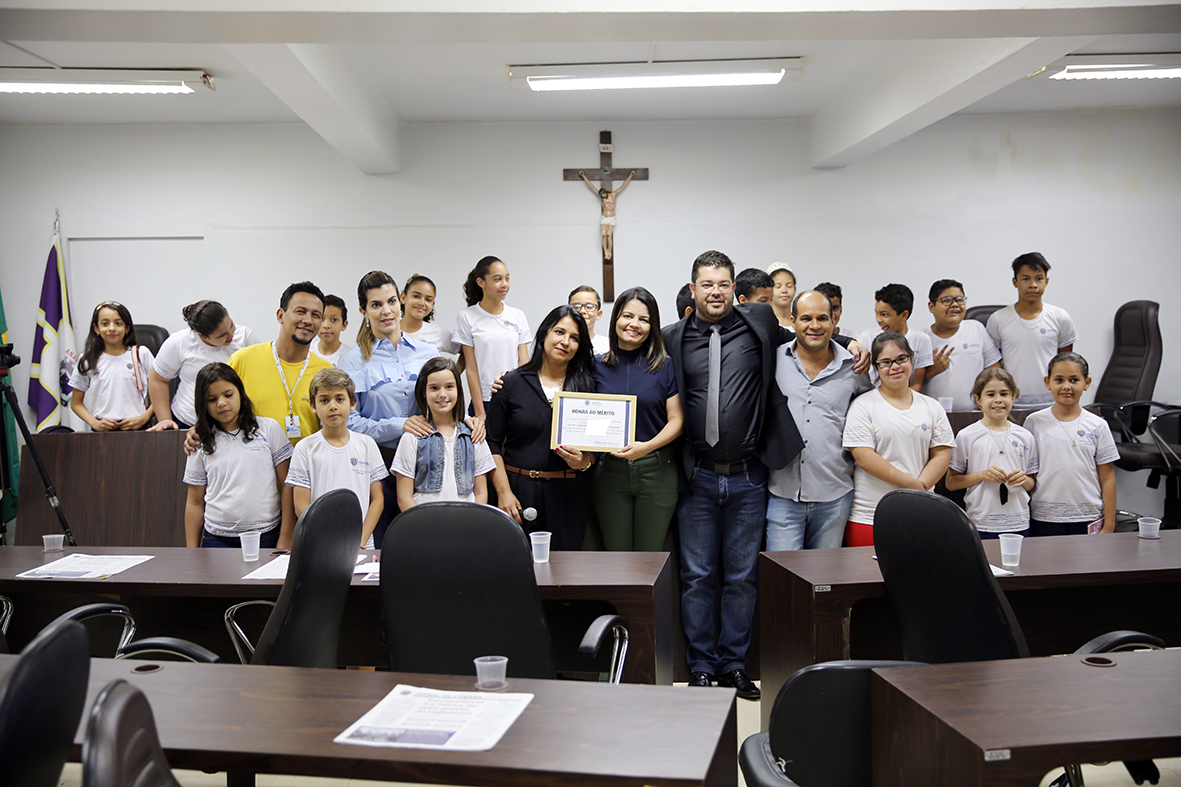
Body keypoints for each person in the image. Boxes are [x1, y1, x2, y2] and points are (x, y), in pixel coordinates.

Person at [661, 250, 800, 700]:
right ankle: (700, 665)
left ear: (734, 288)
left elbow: (808, 336)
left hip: (748, 476)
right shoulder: (672, 337)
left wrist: (851, 344)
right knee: (697, 576)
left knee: (742, 577)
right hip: (697, 476)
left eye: (723, 284)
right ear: (693, 288)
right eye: (707, 284)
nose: (716, 292)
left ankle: (733, 664)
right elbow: (627, 365)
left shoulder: (758, 321)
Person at [338, 270, 441, 549]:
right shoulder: (351, 361)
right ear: (363, 310)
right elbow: (346, 423)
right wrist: (398, 425)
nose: (387, 311)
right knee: (384, 553)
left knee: (430, 548)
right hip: (378, 470)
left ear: (401, 302)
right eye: (376, 304)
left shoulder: (428, 353)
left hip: (428, 464)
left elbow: (446, 403)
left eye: (392, 301)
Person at [766, 291, 870, 551]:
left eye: (822, 318)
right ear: (793, 321)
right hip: (783, 493)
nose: (814, 325)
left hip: (834, 495)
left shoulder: (854, 368)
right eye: (806, 318)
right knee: (783, 580)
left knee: (824, 584)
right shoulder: (773, 360)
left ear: (834, 321)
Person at [487, 305, 597, 550]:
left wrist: (585, 461)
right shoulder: (511, 383)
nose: (565, 342)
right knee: (516, 571)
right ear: (545, 332)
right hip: (518, 493)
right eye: (559, 332)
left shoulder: (588, 388)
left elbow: (596, 449)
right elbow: (491, 442)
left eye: (575, 338)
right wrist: (503, 492)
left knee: (564, 575)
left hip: (569, 495)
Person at [591, 286, 683, 551]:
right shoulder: (594, 365)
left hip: (656, 470)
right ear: (615, 319)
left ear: (652, 326)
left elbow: (676, 420)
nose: (634, 324)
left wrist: (646, 447)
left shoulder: (665, 365)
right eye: (628, 316)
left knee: (649, 560)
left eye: (644, 319)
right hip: (609, 472)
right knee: (616, 557)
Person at [842, 332, 953, 547]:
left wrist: (921, 488)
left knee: (919, 578)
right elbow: (864, 457)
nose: (895, 367)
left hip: (922, 512)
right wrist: (912, 486)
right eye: (885, 362)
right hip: (871, 515)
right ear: (875, 367)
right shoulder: (863, 405)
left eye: (901, 359)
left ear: (912, 358)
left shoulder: (931, 406)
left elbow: (942, 453)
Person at [183, 363, 293, 549]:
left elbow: (288, 485)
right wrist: (191, 551)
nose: (221, 403)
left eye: (228, 395)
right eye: (211, 399)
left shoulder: (268, 429)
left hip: (267, 535)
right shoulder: (199, 440)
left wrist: (286, 538)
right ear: (203, 404)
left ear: (240, 393)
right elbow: (194, 502)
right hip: (217, 538)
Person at [285, 368, 387, 550]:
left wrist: (361, 539)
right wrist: (324, 538)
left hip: (361, 545)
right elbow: (301, 506)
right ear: (313, 406)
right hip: (319, 543)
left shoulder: (367, 444)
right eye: (324, 400)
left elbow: (377, 499)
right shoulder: (305, 448)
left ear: (353, 403)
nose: (333, 406)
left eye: (340, 399)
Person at [1025, 352, 1118, 536]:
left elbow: (1107, 478)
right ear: (1047, 382)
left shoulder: (1098, 425)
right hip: (1045, 518)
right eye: (1059, 380)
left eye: (1074, 380)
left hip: (1087, 516)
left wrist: (1109, 525)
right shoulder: (1033, 422)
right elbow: (1029, 473)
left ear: (1087, 383)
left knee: (1087, 565)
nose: (1066, 386)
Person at [228, 282, 331, 445]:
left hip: (305, 465)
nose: (308, 320)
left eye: (316, 315)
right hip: (254, 463)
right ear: (280, 315)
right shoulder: (242, 360)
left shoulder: (326, 373)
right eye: (301, 312)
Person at [392, 357, 496, 509]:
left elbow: (480, 493)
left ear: (458, 390)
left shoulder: (474, 435)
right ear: (423, 393)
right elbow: (403, 497)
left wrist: (473, 523)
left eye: (449, 387)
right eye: (434, 388)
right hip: (424, 525)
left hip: (466, 524)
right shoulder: (411, 437)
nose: (442, 394)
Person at [946, 368, 1038, 537]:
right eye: (990, 394)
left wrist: (1023, 479)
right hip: (981, 522)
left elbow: (1032, 483)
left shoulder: (1025, 436)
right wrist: (982, 475)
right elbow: (951, 483)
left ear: (1013, 397)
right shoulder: (967, 436)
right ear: (978, 399)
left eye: (1004, 394)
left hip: (1018, 521)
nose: (998, 400)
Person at [149, 300, 259, 430]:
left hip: (234, 422)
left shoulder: (245, 337)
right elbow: (158, 379)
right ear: (202, 336)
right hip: (187, 421)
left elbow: (259, 377)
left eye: (231, 326)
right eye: (222, 335)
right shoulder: (178, 342)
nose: (231, 335)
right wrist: (164, 419)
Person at [987, 252, 1077, 406]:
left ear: (1046, 281)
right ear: (1015, 282)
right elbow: (994, 365)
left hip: (1052, 401)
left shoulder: (1060, 317)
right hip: (1011, 402)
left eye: (1039, 278)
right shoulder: (998, 319)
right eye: (1026, 279)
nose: (1033, 285)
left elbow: (1065, 362)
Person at [453, 256, 531, 419]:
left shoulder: (517, 315)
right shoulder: (467, 317)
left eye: (507, 279)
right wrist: (480, 412)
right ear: (481, 282)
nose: (505, 284)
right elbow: (471, 369)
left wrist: (526, 398)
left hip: (514, 397)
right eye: (497, 279)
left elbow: (524, 363)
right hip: (484, 401)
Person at [69, 301, 154, 432]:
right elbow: (75, 403)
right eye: (105, 323)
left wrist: (144, 417)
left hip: (138, 428)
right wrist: (94, 423)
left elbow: (162, 394)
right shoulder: (87, 359)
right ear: (96, 329)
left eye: (118, 323)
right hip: (102, 430)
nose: (112, 328)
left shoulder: (141, 354)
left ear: (127, 328)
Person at [922, 279, 1001, 411]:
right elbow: (909, 384)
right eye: (946, 300)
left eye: (959, 300)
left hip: (976, 413)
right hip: (934, 416)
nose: (954, 305)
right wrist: (932, 371)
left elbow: (994, 371)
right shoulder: (922, 338)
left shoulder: (976, 328)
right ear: (931, 306)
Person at [857, 283, 934, 392]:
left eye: (885, 315)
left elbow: (916, 383)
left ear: (904, 315)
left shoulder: (921, 339)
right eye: (877, 313)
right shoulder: (867, 337)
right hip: (874, 398)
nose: (878, 319)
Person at [579, 169, 636, 261]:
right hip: (604, 217)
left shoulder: (613, 194)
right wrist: (584, 176)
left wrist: (630, 176)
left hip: (612, 217)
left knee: (609, 235)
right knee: (603, 235)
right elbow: (592, 187)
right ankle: (605, 251)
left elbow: (623, 186)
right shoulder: (602, 198)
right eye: (601, 197)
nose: (603, 198)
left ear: (606, 192)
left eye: (603, 196)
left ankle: (610, 251)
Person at [400, 273, 459, 356]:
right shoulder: (387, 330)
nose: (421, 303)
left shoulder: (438, 333)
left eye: (428, 299)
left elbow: (465, 351)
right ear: (403, 297)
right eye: (416, 296)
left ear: (432, 304)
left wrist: (455, 369)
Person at [310, 294, 350, 366]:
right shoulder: (307, 352)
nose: (326, 325)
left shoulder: (350, 356)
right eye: (322, 318)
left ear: (344, 325)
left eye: (334, 320)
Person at [568, 285, 609, 355]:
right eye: (576, 307)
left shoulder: (608, 346)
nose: (582, 311)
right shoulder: (563, 343)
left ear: (599, 314)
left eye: (589, 307)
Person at [766, 263, 796, 327]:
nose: (784, 290)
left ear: (795, 289)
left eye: (789, 286)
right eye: (778, 286)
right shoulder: (764, 322)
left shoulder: (800, 321)